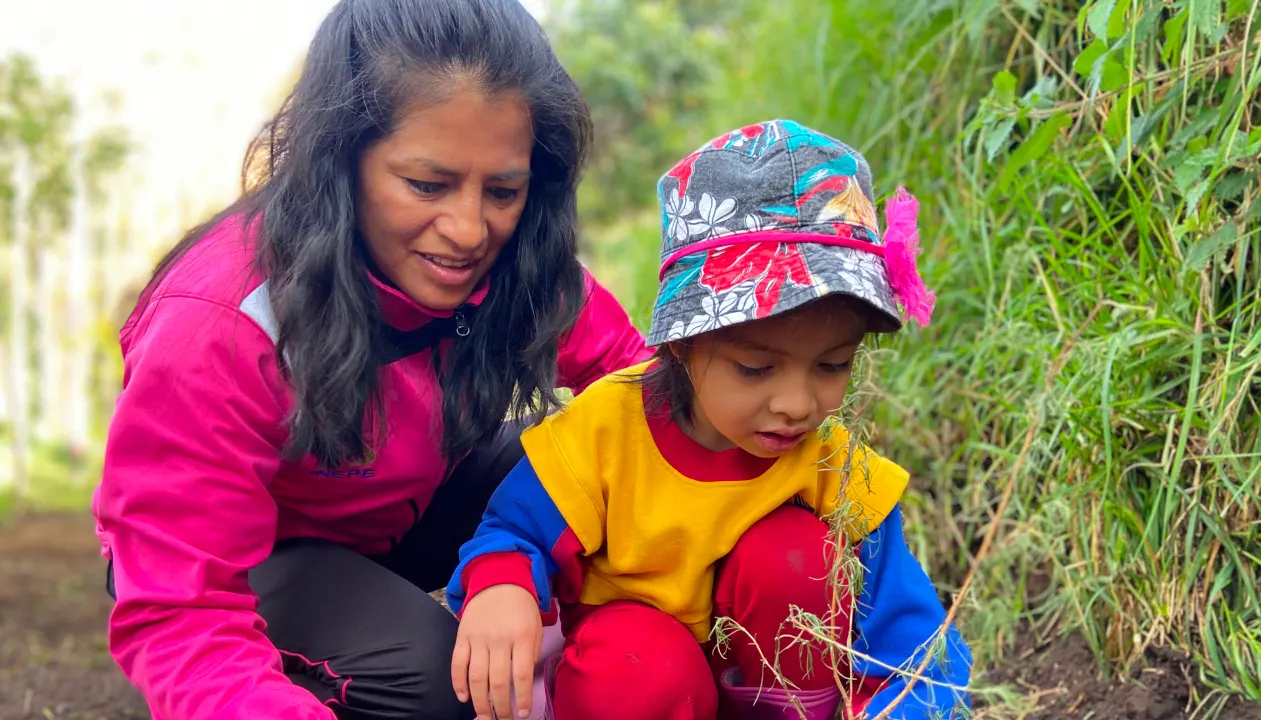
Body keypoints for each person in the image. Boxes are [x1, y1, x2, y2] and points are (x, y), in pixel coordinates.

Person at [92, 2, 651, 719]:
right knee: (434, 681)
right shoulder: (218, 322)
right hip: (263, 551)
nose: (468, 229)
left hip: (409, 504)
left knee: (599, 456)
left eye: (503, 191)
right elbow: (180, 607)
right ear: (340, 159)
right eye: (427, 185)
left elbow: (641, 391)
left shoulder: (519, 257)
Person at [447, 119, 971, 720]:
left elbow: (912, 636)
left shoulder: (829, 460)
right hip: (641, 684)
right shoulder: (606, 433)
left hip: (773, 678)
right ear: (680, 345)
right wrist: (502, 586)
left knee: (797, 556)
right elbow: (513, 533)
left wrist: (917, 705)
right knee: (638, 665)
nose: (797, 404)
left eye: (831, 365)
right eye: (755, 368)